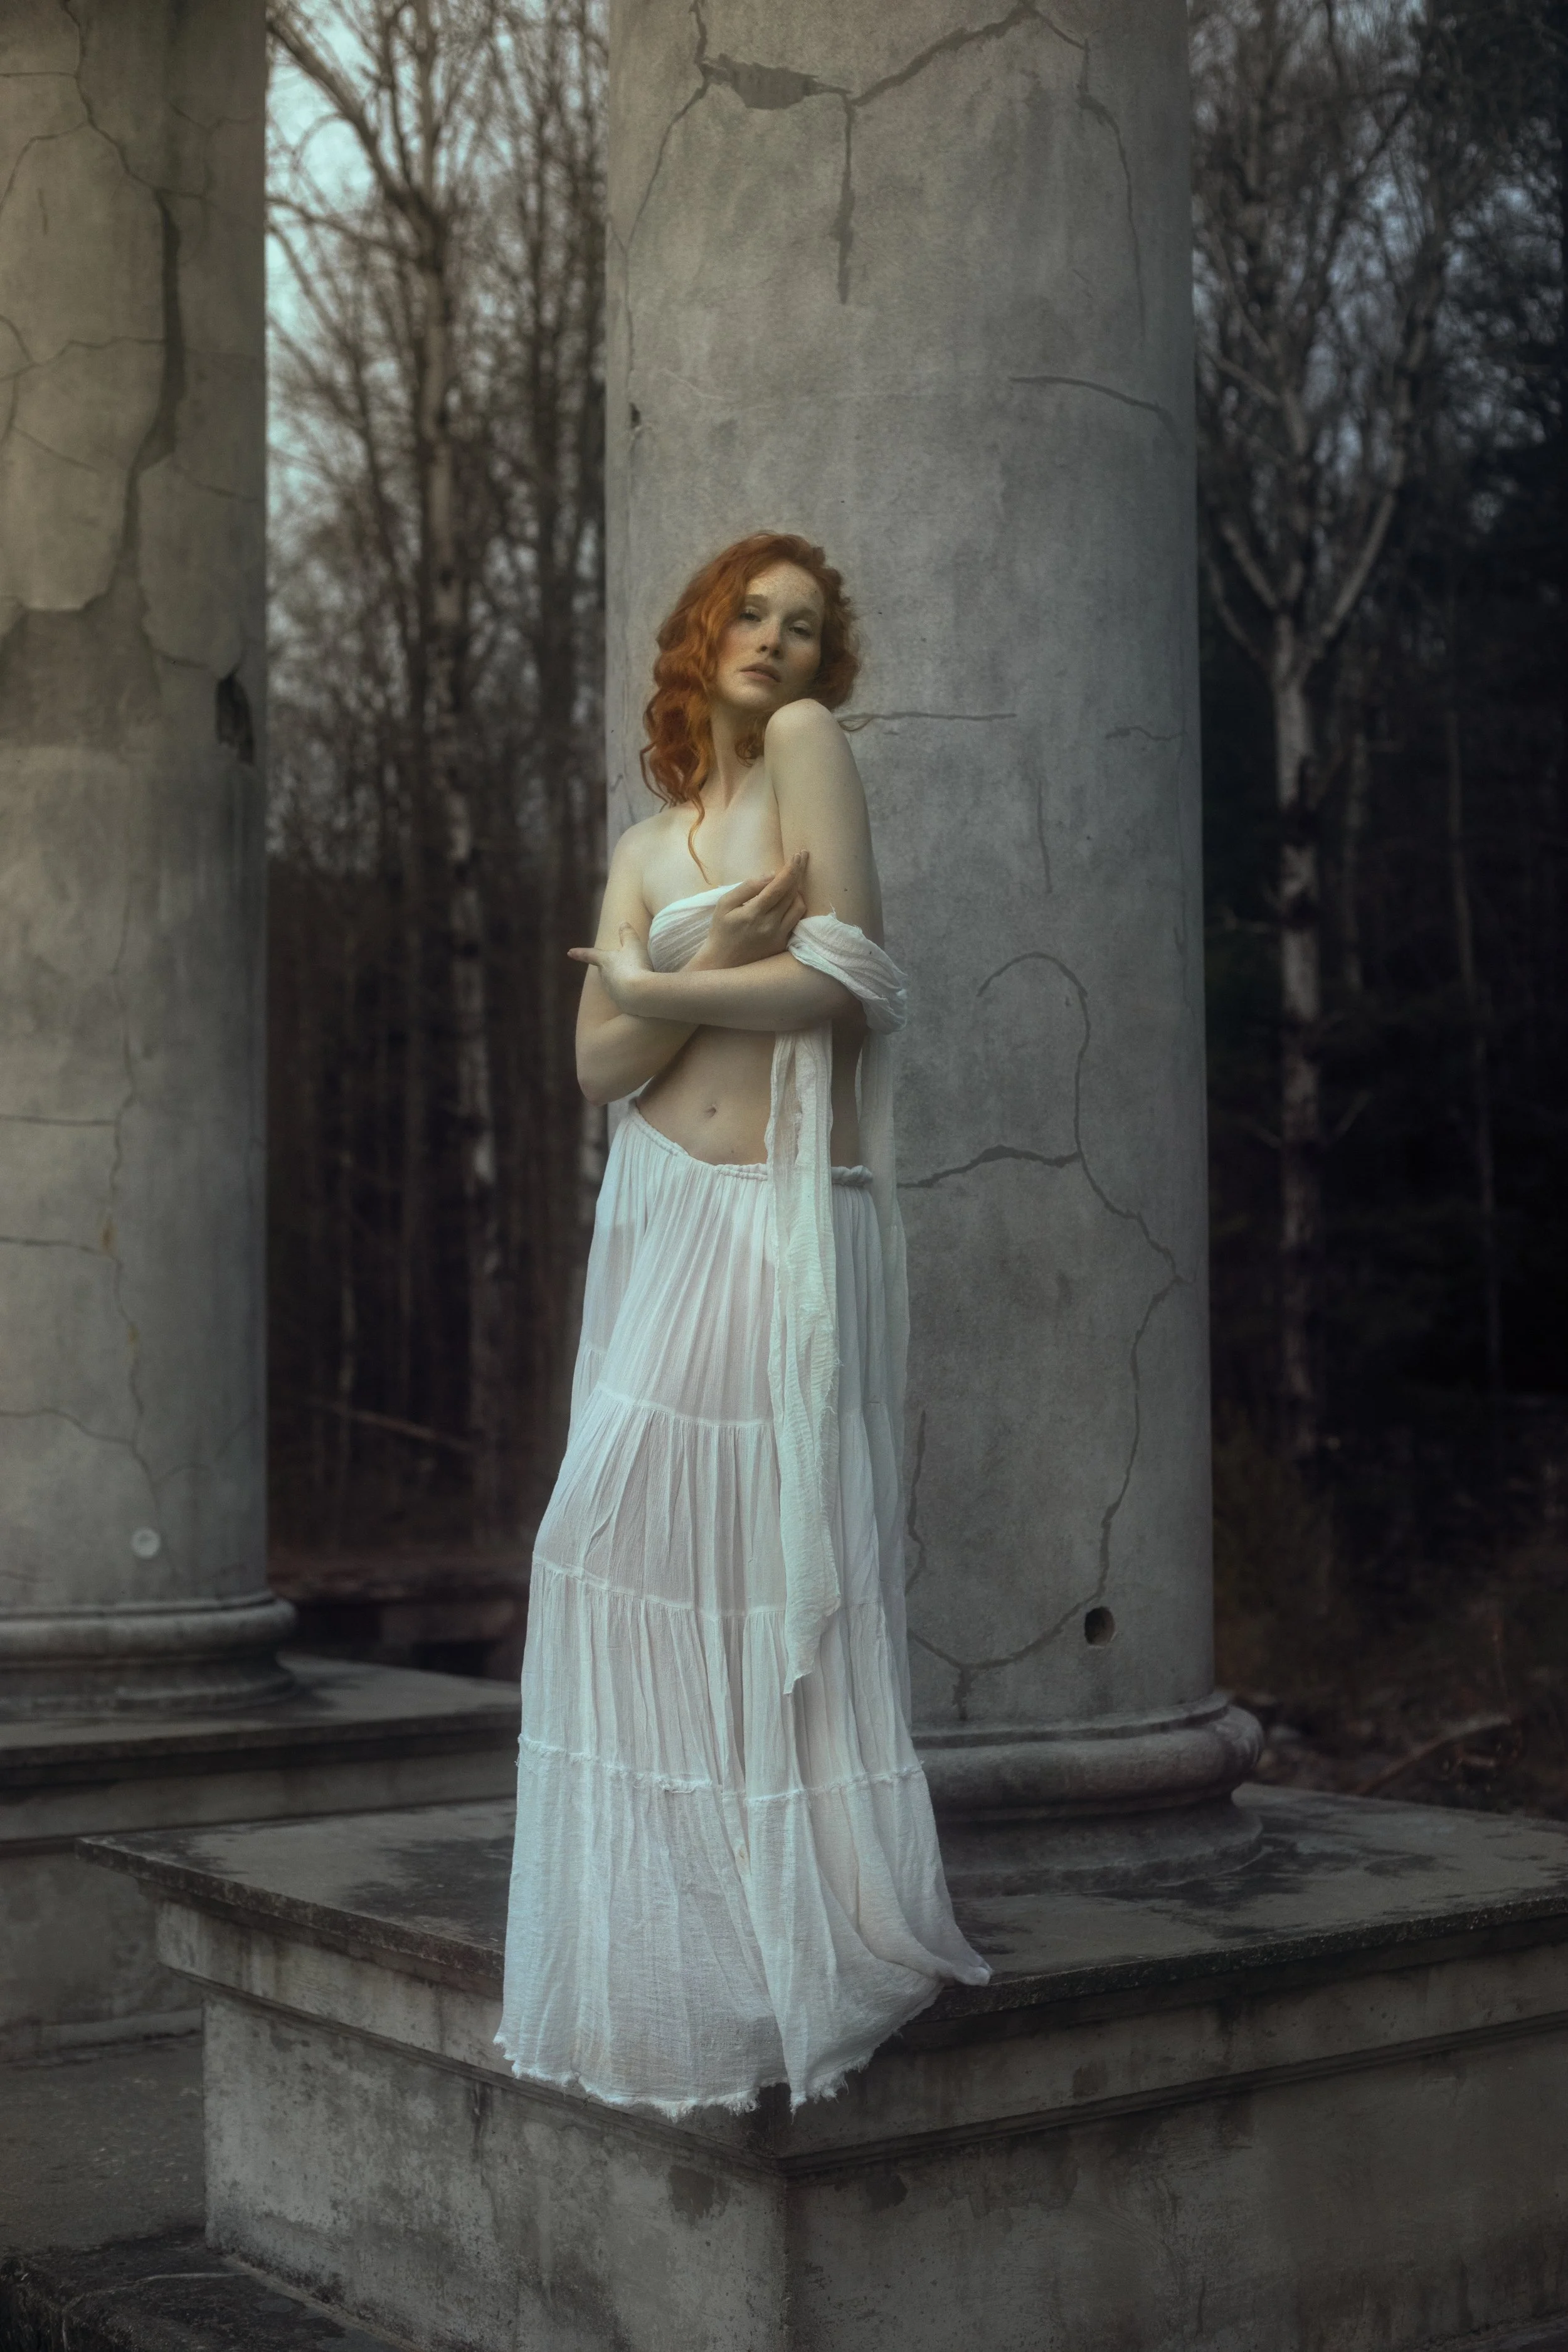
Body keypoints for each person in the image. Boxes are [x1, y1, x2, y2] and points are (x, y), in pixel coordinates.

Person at [495, 531, 988, 2118]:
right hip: (660, 1208)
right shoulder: (649, 843)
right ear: (697, 628)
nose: (778, 643)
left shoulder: (804, 749)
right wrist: (702, 947)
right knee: (608, 1553)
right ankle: (683, 1957)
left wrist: (659, 978)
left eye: (806, 625)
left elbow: (851, 976)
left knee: (723, 1561)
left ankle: (786, 1929)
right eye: (752, 613)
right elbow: (589, 1073)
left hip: (781, 1210)